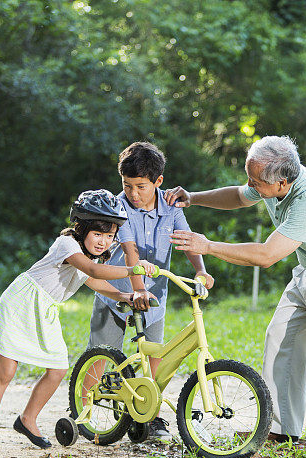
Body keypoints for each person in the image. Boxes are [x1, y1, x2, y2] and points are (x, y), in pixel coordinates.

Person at [164, 135, 306, 455]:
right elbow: (238, 196)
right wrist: (192, 198)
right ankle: (279, 428)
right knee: (279, 340)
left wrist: (207, 246)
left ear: (283, 182)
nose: (251, 185)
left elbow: (266, 256)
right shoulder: (270, 177)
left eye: (256, 181)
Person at [0, 189, 158, 452]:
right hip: (20, 302)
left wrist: (124, 294)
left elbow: (92, 279)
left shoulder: (89, 255)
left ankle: (27, 419)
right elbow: (93, 270)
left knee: (58, 370)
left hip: (46, 308)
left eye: (110, 236)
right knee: (6, 371)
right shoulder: (68, 245)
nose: (103, 242)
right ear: (81, 227)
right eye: (98, 233)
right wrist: (133, 268)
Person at [87, 141, 213, 441]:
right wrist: (138, 290)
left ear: (158, 182)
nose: (133, 193)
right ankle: (83, 413)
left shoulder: (170, 205)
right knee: (100, 355)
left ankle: (149, 416)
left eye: (140, 186)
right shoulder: (118, 205)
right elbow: (130, 252)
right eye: (127, 185)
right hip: (116, 292)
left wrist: (200, 269)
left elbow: (185, 239)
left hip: (154, 295)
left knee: (155, 357)